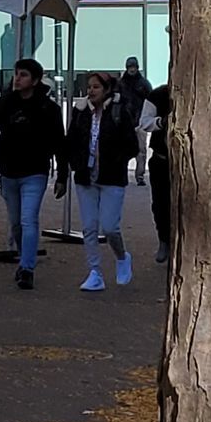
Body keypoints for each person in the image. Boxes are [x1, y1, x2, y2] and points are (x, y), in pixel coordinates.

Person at [0, 58, 64, 290]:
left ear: (34, 80)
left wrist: (62, 175)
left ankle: (27, 268)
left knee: (28, 219)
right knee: (16, 224)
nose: (17, 78)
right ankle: (25, 256)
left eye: (23, 75)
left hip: (36, 172)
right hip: (9, 172)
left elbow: (59, 143)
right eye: (16, 74)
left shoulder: (48, 108)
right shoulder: (3, 104)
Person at [63, 71, 138, 291]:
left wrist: (114, 159)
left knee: (110, 226)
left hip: (112, 177)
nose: (91, 91)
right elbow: (71, 141)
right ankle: (95, 272)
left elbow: (132, 146)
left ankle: (122, 257)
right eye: (89, 87)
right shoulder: (81, 112)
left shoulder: (118, 111)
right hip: (86, 177)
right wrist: (76, 164)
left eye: (96, 87)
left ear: (106, 90)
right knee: (89, 227)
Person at [142, 82, 174, 264]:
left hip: (186, 161)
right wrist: (161, 122)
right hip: (161, 159)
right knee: (161, 203)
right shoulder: (158, 94)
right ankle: (164, 240)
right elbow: (144, 122)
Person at [118, 57, 154, 185]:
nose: (132, 69)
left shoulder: (144, 84)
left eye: (133, 67)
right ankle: (123, 175)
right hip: (124, 123)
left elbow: (151, 101)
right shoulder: (121, 84)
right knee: (123, 151)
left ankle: (140, 176)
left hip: (140, 122)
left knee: (141, 151)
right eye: (130, 67)